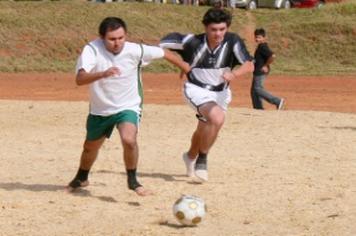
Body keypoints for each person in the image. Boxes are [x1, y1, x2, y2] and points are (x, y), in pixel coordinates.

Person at [67, 17, 190, 196]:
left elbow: (164, 53)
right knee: (90, 147)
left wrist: (185, 67)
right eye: (112, 39)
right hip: (101, 109)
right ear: (102, 37)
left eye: (121, 38)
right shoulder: (92, 50)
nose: (117, 43)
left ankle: (133, 181)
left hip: (128, 105)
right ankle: (82, 177)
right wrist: (103, 74)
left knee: (129, 140)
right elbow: (80, 79)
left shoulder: (136, 50)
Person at [160, 8, 254, 181]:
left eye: (222, 29)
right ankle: (202, 160)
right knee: (217, 118)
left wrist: (233, 74)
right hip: (196, 89)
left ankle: (190, 156)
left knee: (205, 127)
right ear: (205, 28)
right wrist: (182, 64)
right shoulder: (191, 41)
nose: (218, 34)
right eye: (213, 29)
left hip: (221, 93)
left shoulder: (233, 41)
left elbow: (249, 64)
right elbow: (161, 46)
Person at [251, 28, 284, 110]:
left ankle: (278, 101)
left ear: (264, 37)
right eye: (256, 37)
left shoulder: (262, 46)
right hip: (257, 70)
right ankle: (258, 108)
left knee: (258, 89)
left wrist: (265, 65)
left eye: (259, 37)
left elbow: (272, 56)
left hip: (261, 71)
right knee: (254, 91)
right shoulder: (260, 46)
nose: (257, 39)